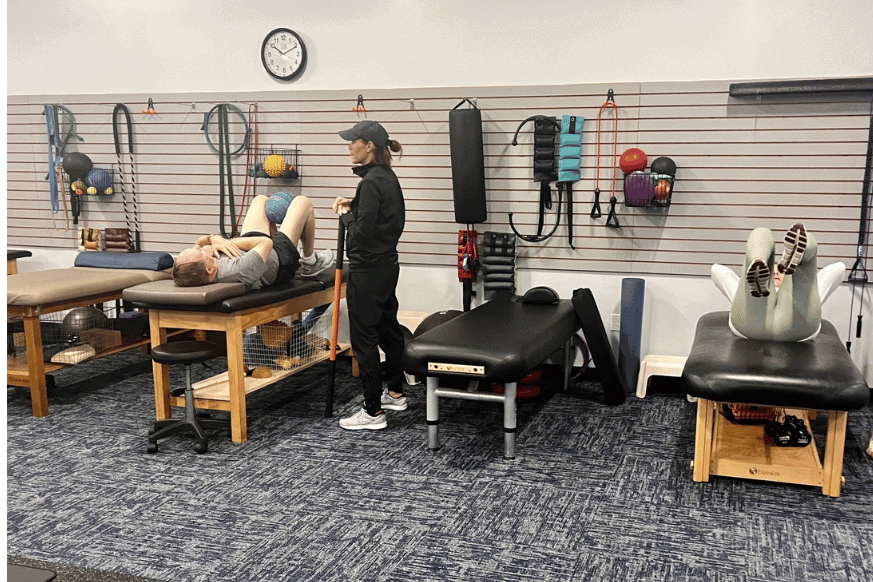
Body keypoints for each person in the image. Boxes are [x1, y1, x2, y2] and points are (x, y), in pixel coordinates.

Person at [333, 120, 407, 431]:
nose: (349, 146)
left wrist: (345, 214)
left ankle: (373, 412)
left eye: (354, 141)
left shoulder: (370, 182)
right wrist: (357, 205)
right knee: (389, 330)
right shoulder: (386, 178)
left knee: (364, 342)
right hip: (387, 267)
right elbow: (383, 218)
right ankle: (396, 392)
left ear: (370, 147)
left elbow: (362, 233)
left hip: (367, 271)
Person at [172, 193, 334, 289]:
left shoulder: (202, 265)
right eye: (201, 253)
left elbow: (199, 242)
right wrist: (226, 242)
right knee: (303, 203)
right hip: (279, 258)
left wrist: (212, 239)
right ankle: (309, 262)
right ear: (209, 269)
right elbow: (266, 243)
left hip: (250, 246)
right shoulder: (237, 270)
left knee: (260, 200)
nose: (202, 249)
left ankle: (293, 242)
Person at [721, 223, 830, 342]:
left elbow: (718, 271)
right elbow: (838, 269)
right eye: (773, 271)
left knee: (761, 233)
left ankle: (760, 257)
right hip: (797, 329)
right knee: (806, 267)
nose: (776, 273)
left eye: (780, 270)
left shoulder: (791, 284)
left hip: (750, 325)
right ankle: (800, 252)